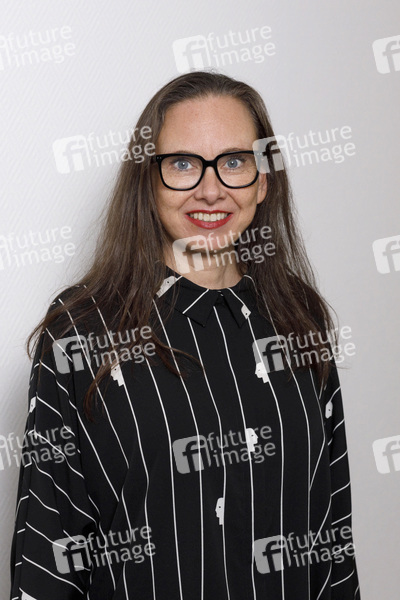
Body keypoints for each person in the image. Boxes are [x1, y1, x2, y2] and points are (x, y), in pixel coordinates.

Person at [9, 71, 361, 599]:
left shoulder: (299, 318)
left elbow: (332, 540)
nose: (211, 189)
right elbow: (47, 553)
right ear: (147, 181)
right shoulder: (80, 331)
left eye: (235, 162)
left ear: (264, 181)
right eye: (182, 164)